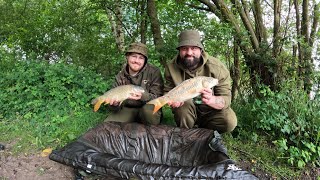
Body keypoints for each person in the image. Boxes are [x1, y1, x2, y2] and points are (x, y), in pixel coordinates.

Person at [164, 30, 237, 133]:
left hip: (210, 112)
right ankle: (186, 134)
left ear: (201, 50)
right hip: (186, 111)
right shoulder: (171, 67)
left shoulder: (217, 67)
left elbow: (226, 98)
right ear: (179, 50)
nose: (189, 53)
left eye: (193, 48)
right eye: (184, 49)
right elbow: (167, 91)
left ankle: (205, 133)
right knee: (183, 105)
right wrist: (171, 102)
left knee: (229, 121)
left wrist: (212, 99)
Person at [105, 42, 164, 125]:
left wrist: (143, 96)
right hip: (128, 109)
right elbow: (113, 107)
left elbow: (159, 98)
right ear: (127, 57)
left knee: (148, 112)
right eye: (134, 56)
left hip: (148, 107)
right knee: (109, 125)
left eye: (141, 58)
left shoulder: (154, 72)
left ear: (145, 60)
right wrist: (114, 104)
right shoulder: (120, 76)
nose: (137, 61)